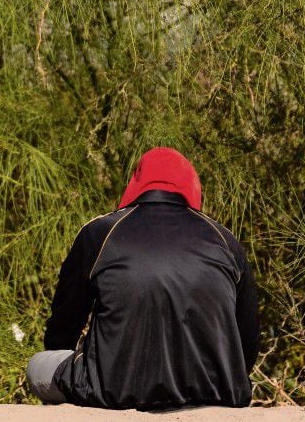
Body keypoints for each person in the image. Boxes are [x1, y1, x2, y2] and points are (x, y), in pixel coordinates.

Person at [27, 147, 258, 410]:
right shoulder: (225, 241)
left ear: (136, 184)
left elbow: (63, 326)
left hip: (112, 390)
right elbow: (247, 341)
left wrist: (72, 362)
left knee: (38, 365)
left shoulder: (100, 233)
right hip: (215, 392)